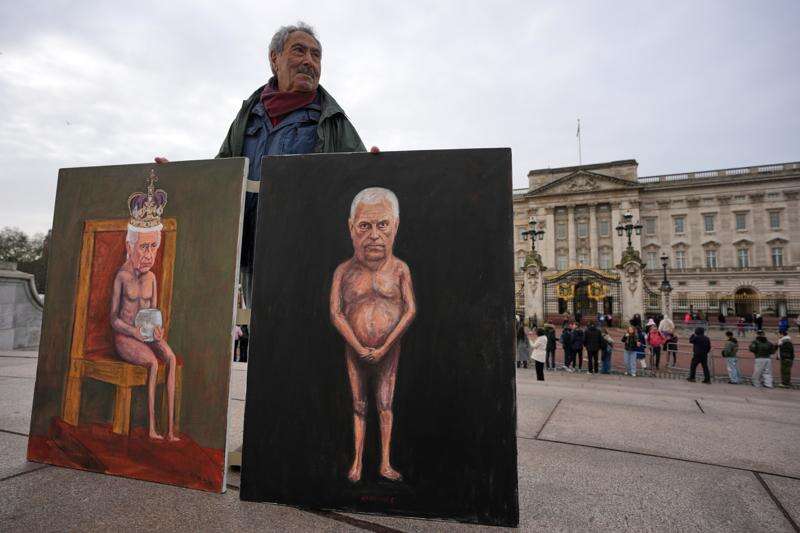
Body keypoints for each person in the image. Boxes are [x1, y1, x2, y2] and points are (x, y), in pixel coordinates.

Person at [157, 23, 371, 307]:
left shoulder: (334, 121)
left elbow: (363, 182)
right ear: (274, 59)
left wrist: (376, 168)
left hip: (308, 257)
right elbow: (221, 175)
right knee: (256, 327)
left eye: (316, 55)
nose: (309, 61)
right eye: (299, 51)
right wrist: (180, 179)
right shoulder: (248, 116)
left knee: (301, 326)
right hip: (251, 257)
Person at [330, 187, 416, 483]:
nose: (375, 235)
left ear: (396, 226)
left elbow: (410, 310)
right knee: (358, 404)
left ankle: (385, 463)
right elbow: (336, 313)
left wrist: (385, 346)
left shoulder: (400, 269)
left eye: (383, 225)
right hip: (354, 349)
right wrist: (357, 345)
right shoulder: (343, 271)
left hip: (388, 350)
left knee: (385, 404)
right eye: (365, 226)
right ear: (351, 227)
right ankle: (356, 462)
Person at [111, 174, 179, 441]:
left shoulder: (151, 278)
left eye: (153, 247)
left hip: (147, 334)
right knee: (152, 362)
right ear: (130, 246)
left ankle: (170, 429)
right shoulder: (122, 277)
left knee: (170, 357)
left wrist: (157, 331)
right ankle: (152, 427)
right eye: (143, 247)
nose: (149, 254)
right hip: (125, 337)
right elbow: (114, 320)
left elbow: (153, 312)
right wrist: (134, 332)